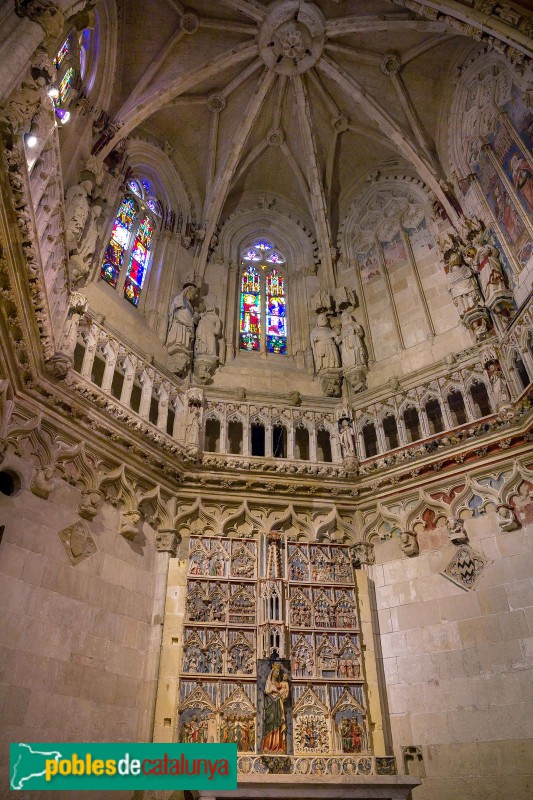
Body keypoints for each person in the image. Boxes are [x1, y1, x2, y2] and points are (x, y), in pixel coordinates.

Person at [261, 663, 289, 753]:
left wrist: (284, 692)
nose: (277, 673)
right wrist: (272, 690)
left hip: (278, 705)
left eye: (279, 672)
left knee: (278, 724)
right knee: (269, 723)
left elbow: (284, 694)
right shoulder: (269, 682)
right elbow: (266, 691)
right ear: (272, 672)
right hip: (270, 705)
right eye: (276, 671)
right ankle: (267, 746)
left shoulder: (280, 683)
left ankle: (278, 746)